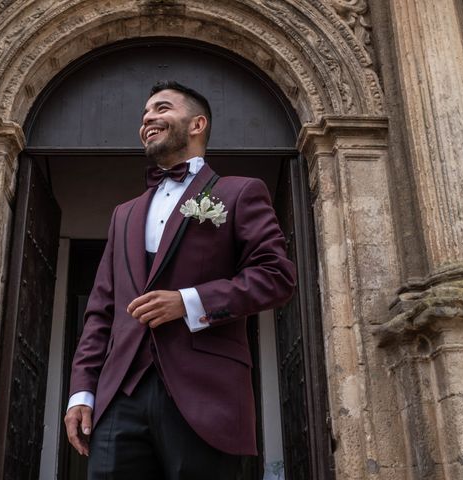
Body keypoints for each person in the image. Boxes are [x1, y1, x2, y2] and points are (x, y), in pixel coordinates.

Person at [64, 80, 296, 480]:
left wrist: (188, 302)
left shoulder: (239, 193)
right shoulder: (124, 214)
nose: (148, 119)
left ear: (197, 124)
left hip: (205, 396)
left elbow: (275, 277)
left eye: (161, 109)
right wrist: (82, 391)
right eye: (144, 115)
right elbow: (101, 311)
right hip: (120, 396)